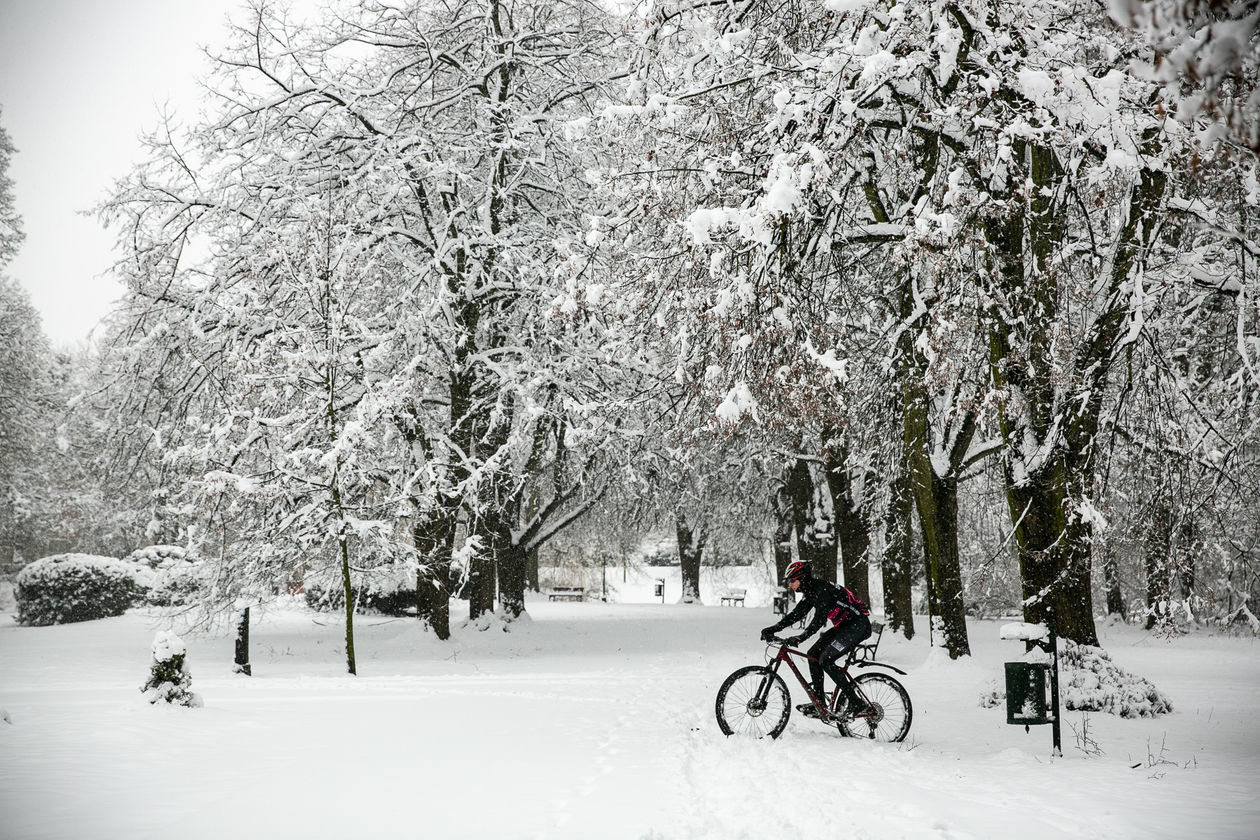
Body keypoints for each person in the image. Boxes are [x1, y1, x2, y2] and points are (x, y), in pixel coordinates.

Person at [760, 560, 873, 720]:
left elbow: (819, 620)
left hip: (858, 626)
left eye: (792, 580)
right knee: (813, 654)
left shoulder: (822, 590)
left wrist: (802, 637)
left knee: (826, 660)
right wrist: (773, 628)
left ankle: (857, 703)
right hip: (845, 627)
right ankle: (819, 702)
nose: (790, 585)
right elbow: (796, 614)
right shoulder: (811, 592)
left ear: (802, 578)